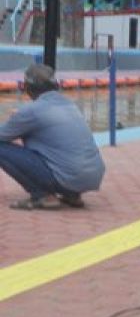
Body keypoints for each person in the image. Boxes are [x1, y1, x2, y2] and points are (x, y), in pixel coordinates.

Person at [0, 64, 106, 210]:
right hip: (92, 177)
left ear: (27, 87)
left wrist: (16, 120)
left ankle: (42, 196)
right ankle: (72, 195)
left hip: (66, 177)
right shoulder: (70, 105)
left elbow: (3, 135)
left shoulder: (32, 110)